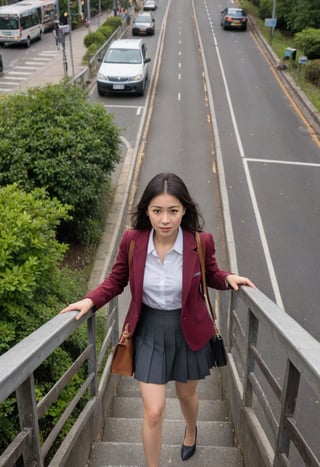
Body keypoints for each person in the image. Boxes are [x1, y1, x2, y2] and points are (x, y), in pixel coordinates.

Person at [60, 172, 255, 466]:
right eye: (157, 211)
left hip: (189, 330)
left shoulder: (200, 242)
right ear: (147, 211)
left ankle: (191, 429)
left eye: (173, 211)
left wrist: (229, 278)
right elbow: (116, 280)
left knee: (186, 395)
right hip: (148, 330)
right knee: (153, 411)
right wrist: (90, 300)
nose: (165, 219)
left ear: (184, 210)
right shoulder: (132, 241)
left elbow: (211, 274)